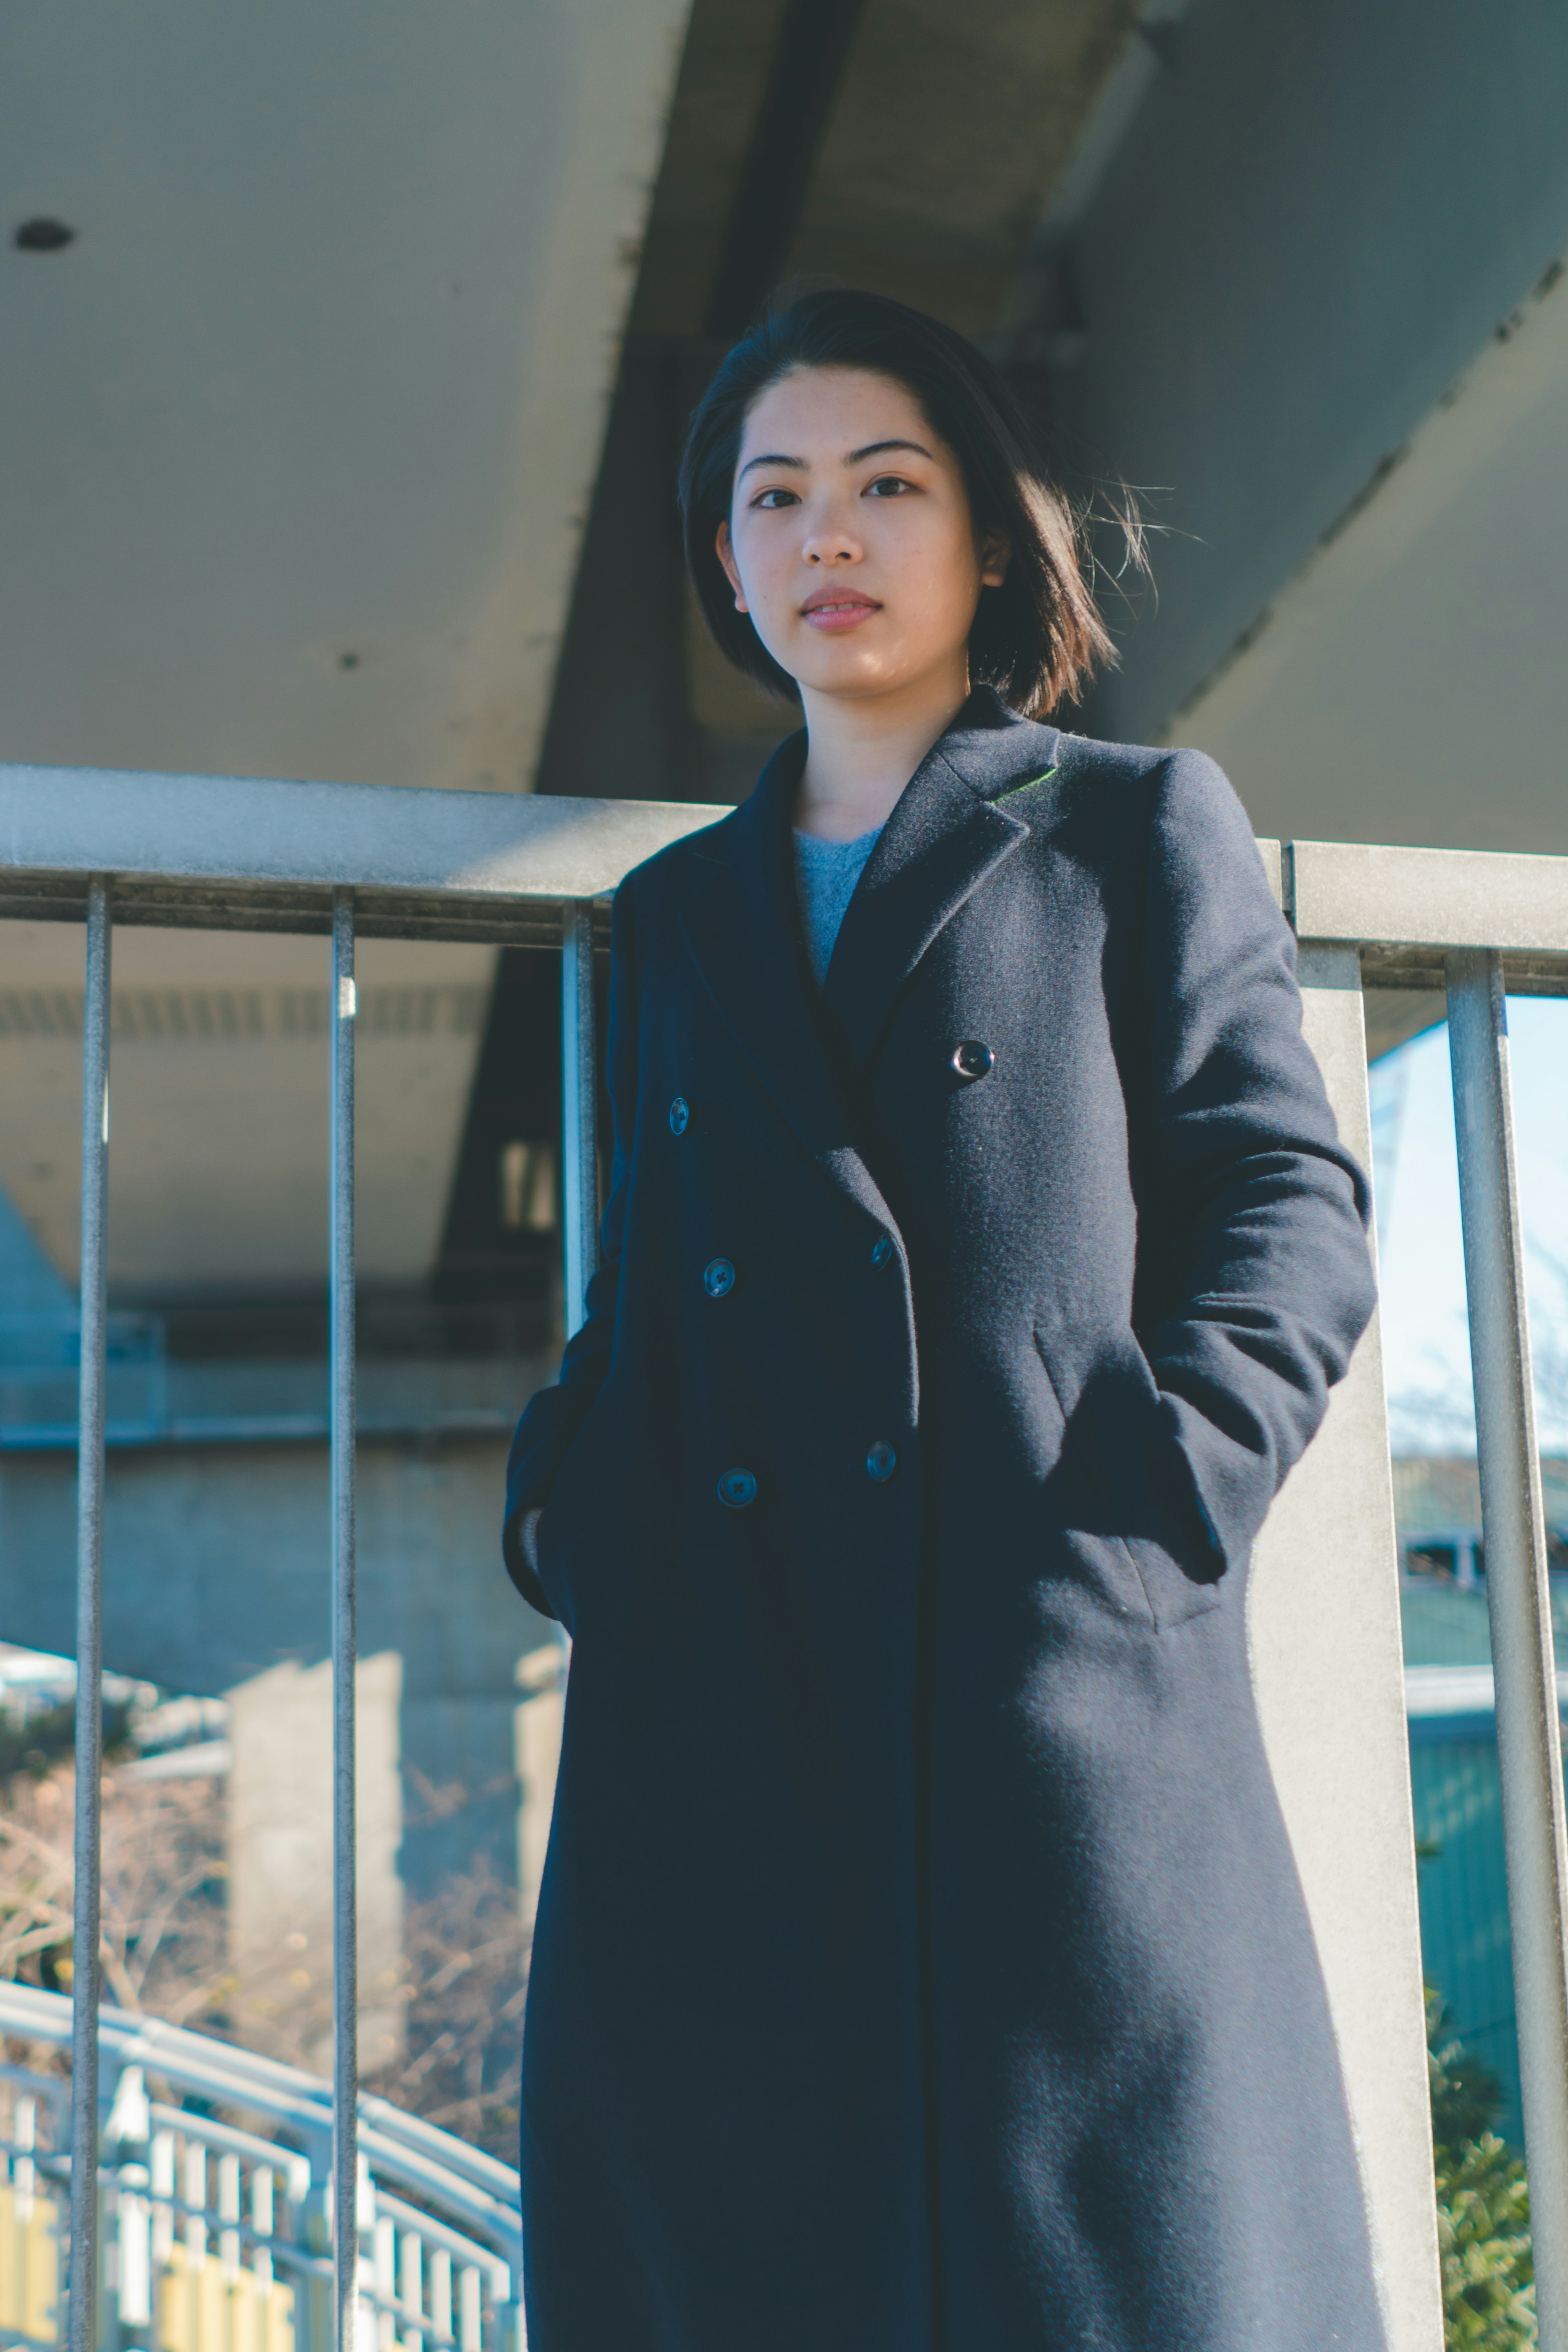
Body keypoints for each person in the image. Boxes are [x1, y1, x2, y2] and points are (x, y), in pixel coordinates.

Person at [502, 288, 1384, 2352]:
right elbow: (649, 1281)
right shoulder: (674, 916)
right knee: (737, 2256)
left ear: (991, 534)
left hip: (1042, 1652)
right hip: (720, 1680)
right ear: (724, 562)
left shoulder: (1129, 823)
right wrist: (578, 1500)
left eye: (887, 484)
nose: (829, 532)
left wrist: (1162, 1490)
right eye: (775, 495)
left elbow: (1289, 1198)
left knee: (1111, 2261)